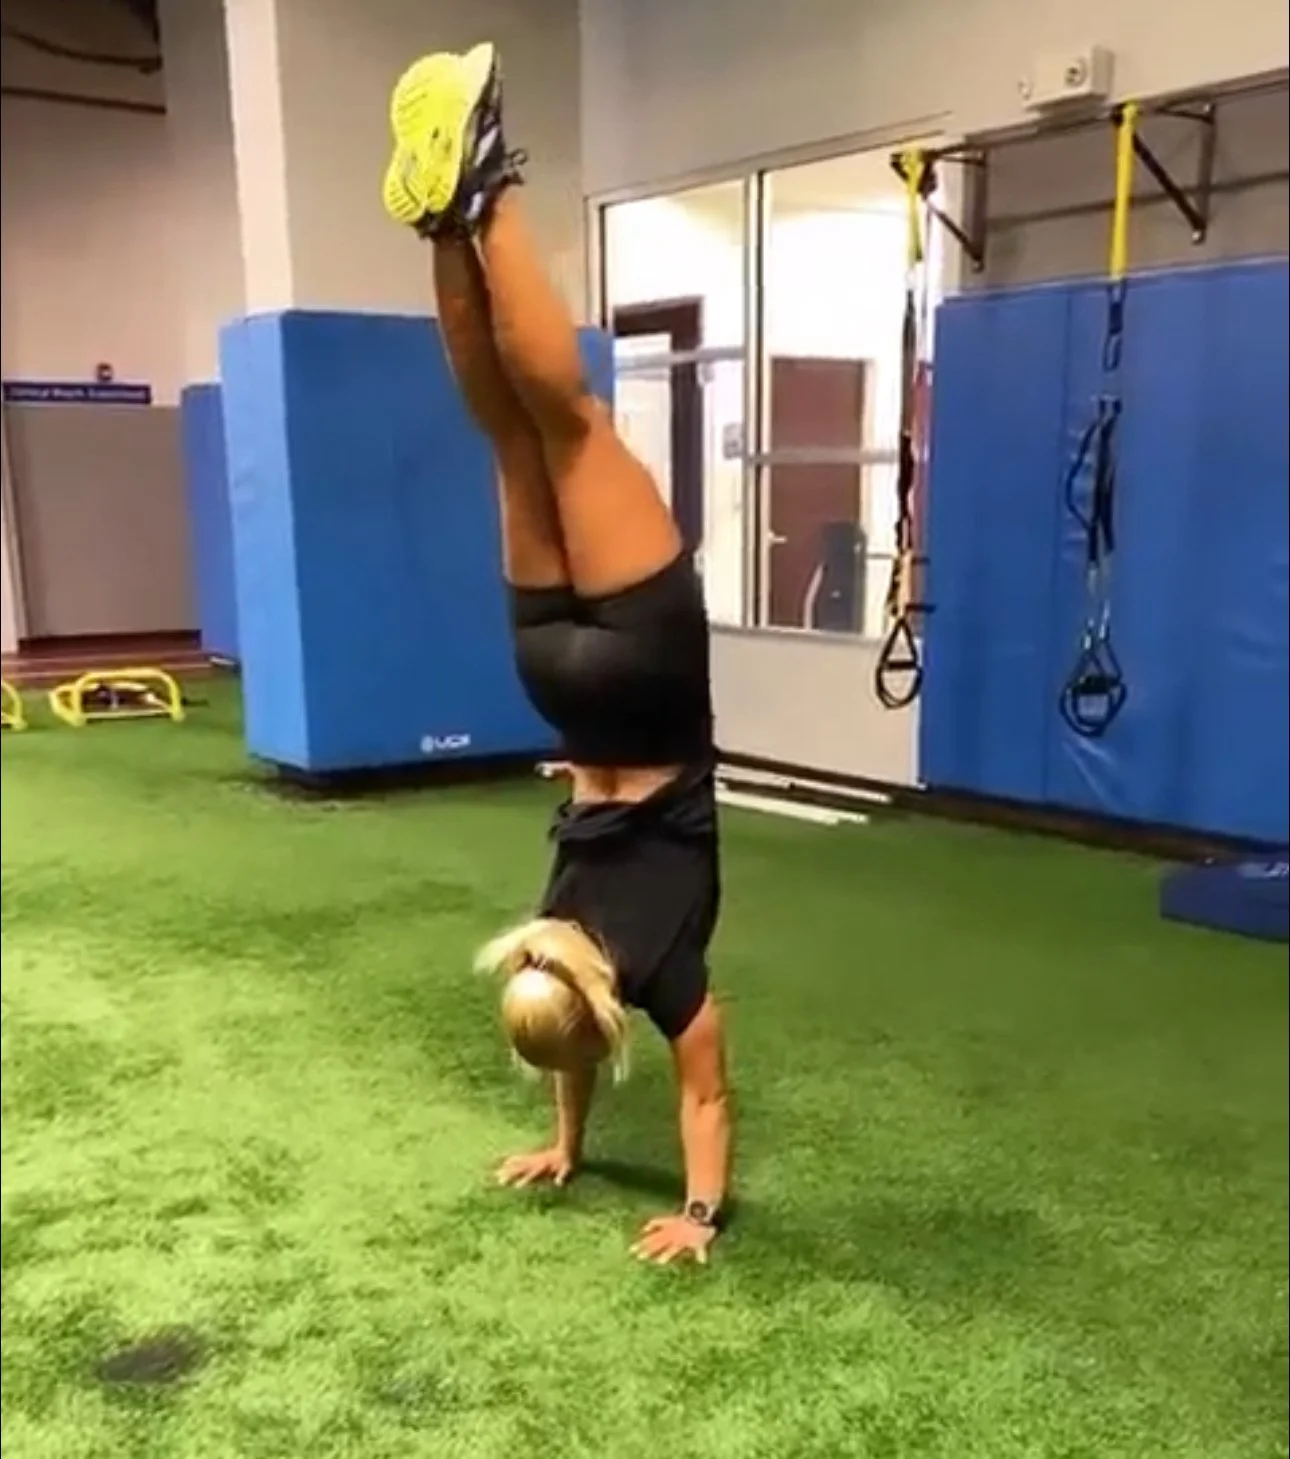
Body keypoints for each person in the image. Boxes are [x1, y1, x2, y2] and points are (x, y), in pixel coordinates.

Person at [382, 43, 732, 1265]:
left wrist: (698, 1214)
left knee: (566, 421)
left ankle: (489, 184)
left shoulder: (662, 971)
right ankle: (442, 223)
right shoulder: (546, 932)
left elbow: (703, 1095)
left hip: (641, 674)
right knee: (518, 429)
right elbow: (565, 1029)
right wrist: (572, 1146)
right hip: (557, 681)